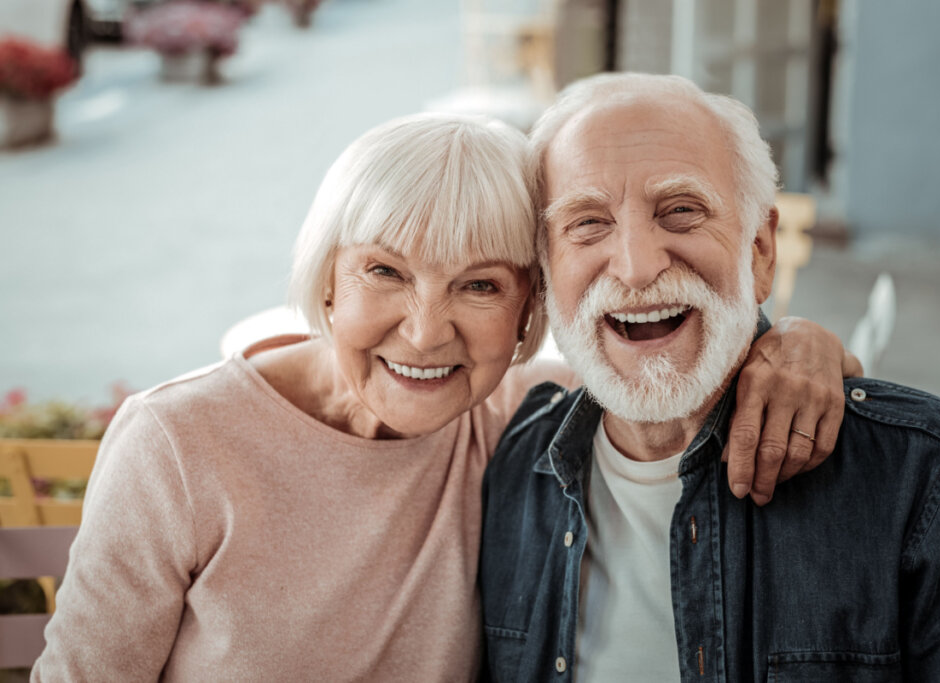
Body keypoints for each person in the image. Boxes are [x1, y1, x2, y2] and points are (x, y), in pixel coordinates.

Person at [34, 113, 851, 681]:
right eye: (384, 271)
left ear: (531, 312)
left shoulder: (517, 420)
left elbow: (679, 362)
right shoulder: (177, 444)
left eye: (479, 285)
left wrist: (798, 343)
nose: (426, 333)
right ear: (326, 280)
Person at [479, 73, 940, 682]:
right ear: (546, 270)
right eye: (587, 223)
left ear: (760, 250)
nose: (636, 267)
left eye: (681, 212)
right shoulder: (505, 466)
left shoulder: (931, 479)